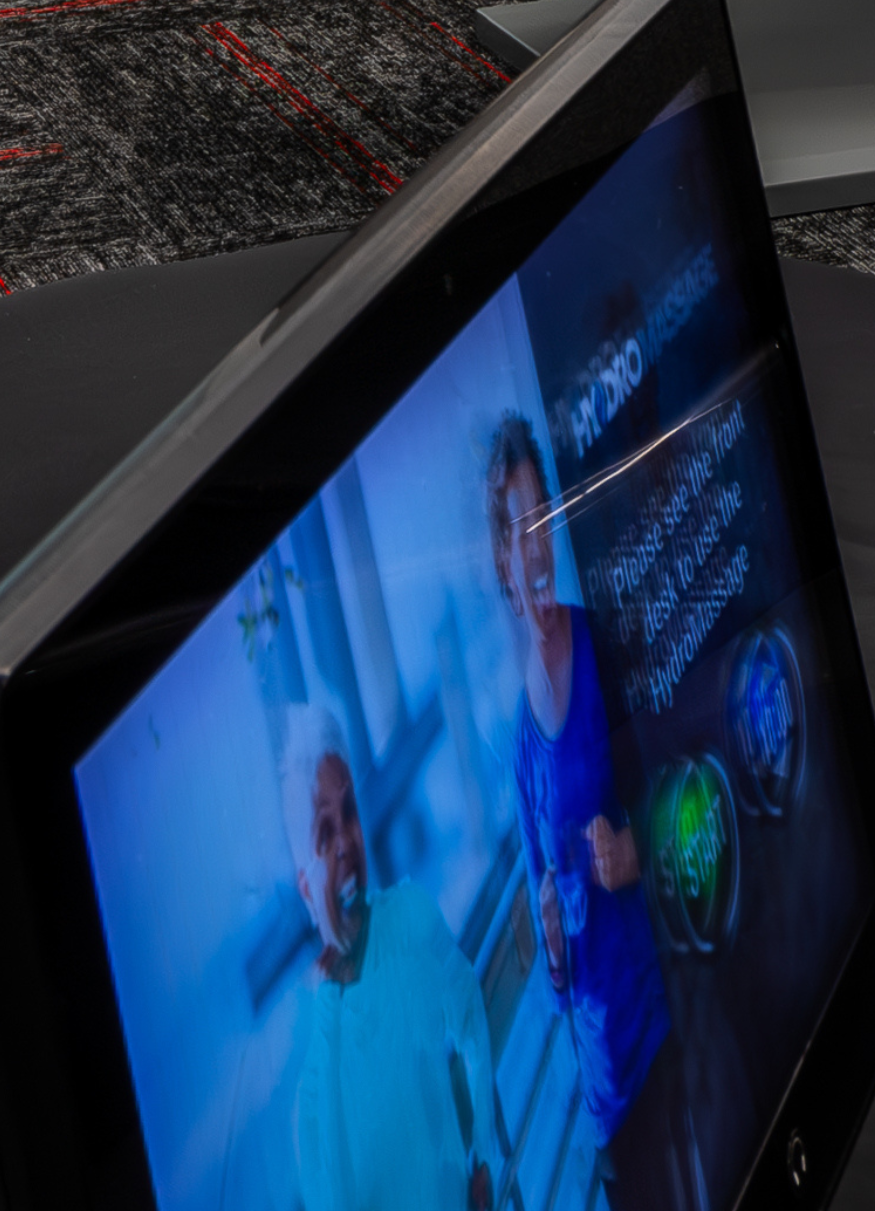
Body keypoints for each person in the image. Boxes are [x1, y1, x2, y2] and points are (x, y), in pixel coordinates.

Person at [488, 412, 670, 1145]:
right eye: (518, 528)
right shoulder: (519, 751)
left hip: (665, 1018)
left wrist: (635, 849)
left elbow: (681, 783)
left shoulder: (605, 640)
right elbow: (554, 981)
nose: (536, 543)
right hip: (607, 1092)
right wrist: (555, 950)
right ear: (500, 558)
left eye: (542, 517)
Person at [269, 719, 500, 1211]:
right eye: (324, 832)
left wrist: (484, 1154)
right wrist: (329, 1005)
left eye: (349, 814)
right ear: (305, 886)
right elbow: (337, 1200)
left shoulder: (412, 918)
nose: (346, 844)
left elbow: (471, 1017)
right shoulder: (310, 1094)